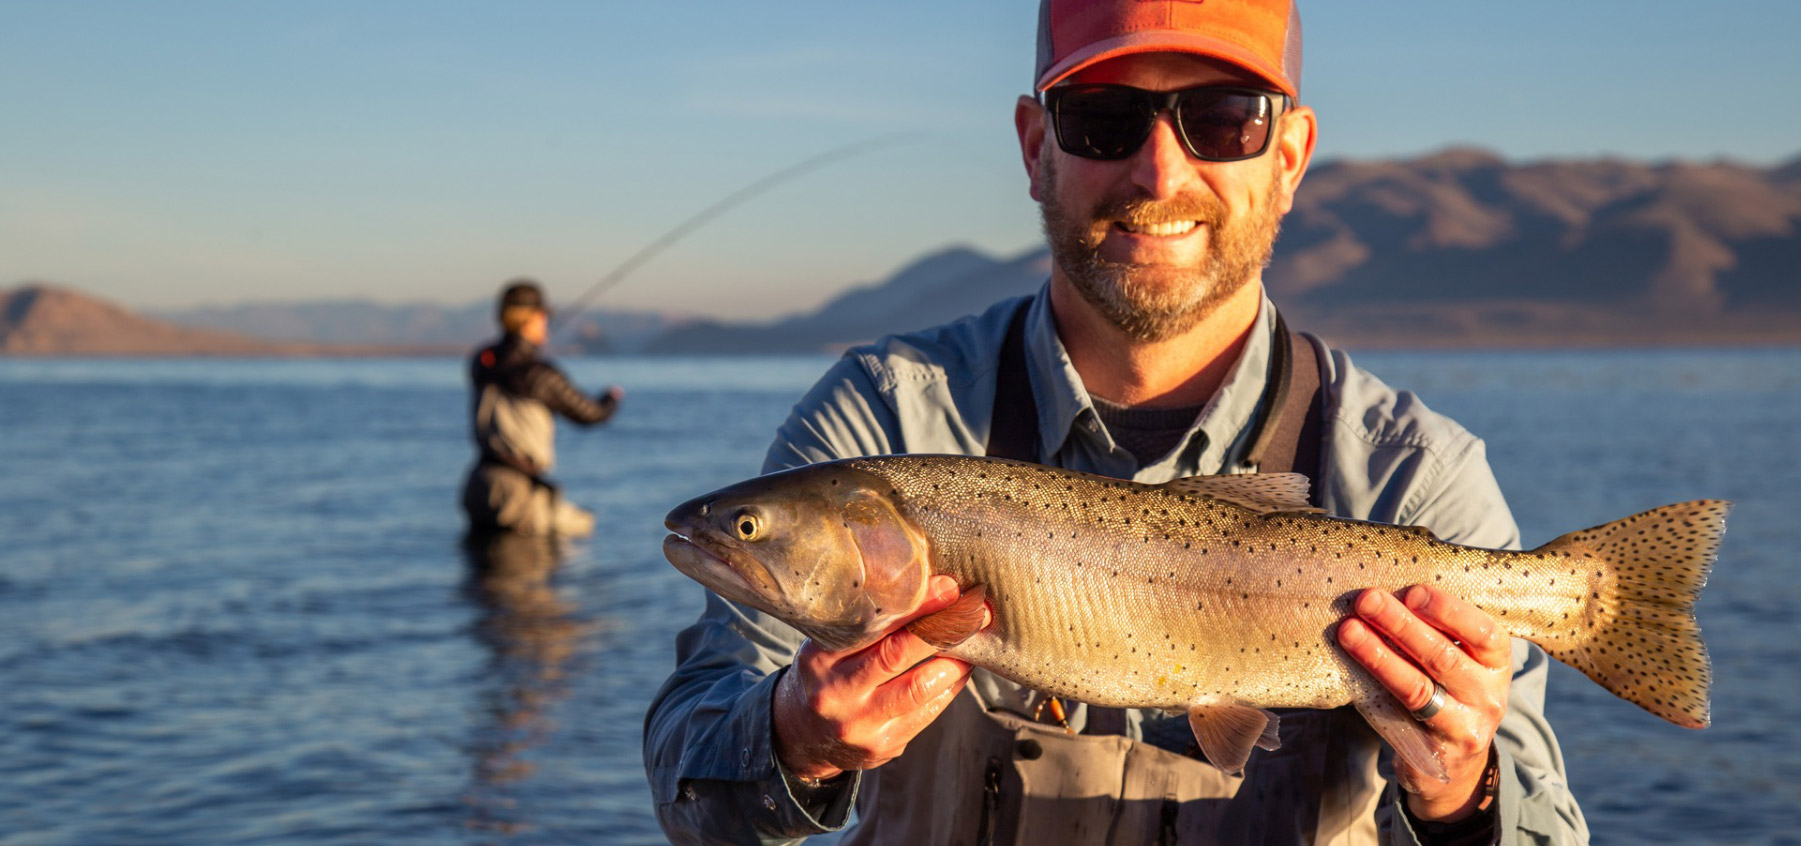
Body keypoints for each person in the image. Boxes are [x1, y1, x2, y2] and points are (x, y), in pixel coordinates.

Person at [645, 1, 1588, 843]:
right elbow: (689, 765)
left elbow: (1546, 825)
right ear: (1033, 148)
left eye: (1224, 120)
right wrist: (795, 739)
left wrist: (1463, 795)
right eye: (1103, 119)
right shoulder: (883, 416)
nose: (1159, 169)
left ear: (1290, 155)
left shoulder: (1416, 476)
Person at [462, 280, 621, 538]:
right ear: (531, 319)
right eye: (543, 316)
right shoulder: (538, 374)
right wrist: (611, 399)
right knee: (523, 574)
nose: (546, 322)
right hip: (516, 492)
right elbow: (590, 414)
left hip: (479, 484)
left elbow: (504, 364)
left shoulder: (483, 361)